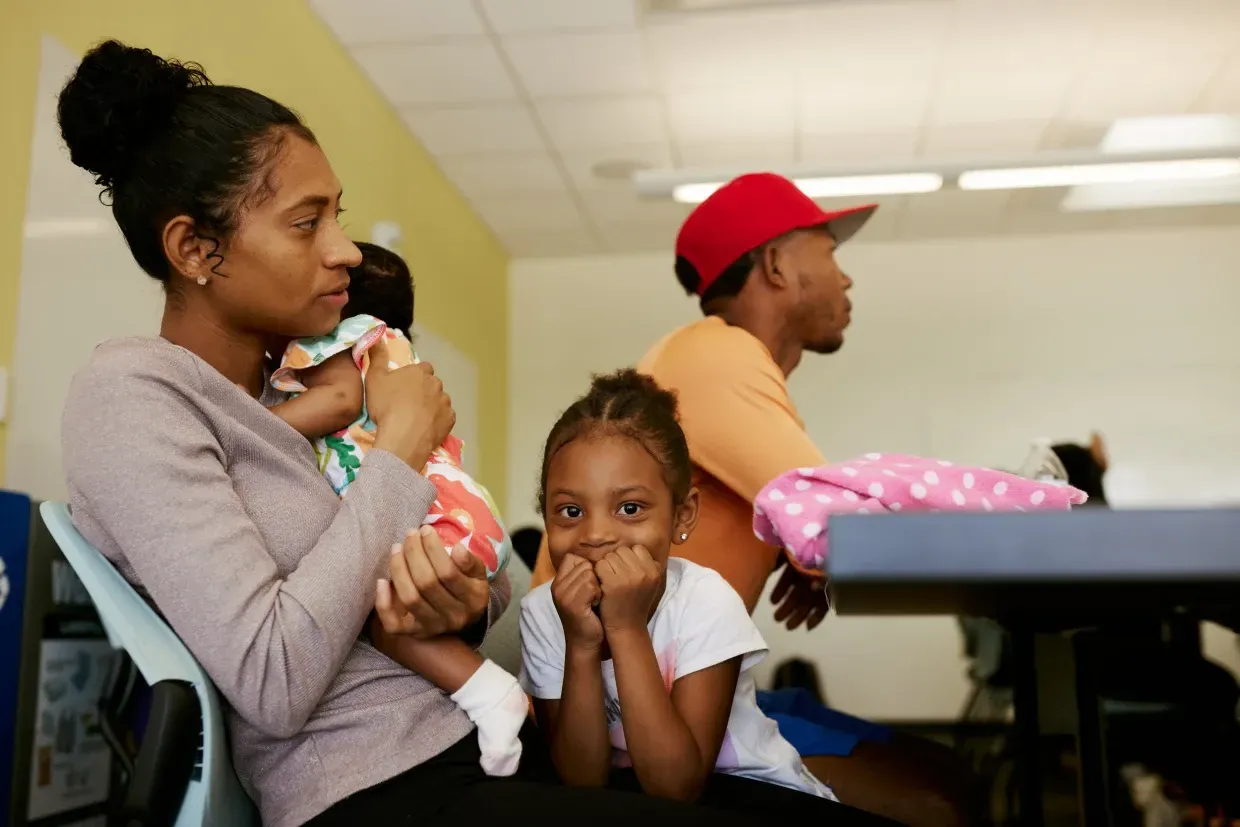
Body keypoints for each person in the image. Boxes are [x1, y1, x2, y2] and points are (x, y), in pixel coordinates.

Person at [54, 41, 814, 827]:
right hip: (376, 789)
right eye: (306, 222)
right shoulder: (134, 394)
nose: (344, 249)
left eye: (337, 216)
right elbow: (274, 675)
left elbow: (463, 579)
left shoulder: (295, 389)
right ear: (194, 249)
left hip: (488, 743)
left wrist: (460, 603)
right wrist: (403, 442)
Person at [529, 173, 978, 826]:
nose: (844, 279)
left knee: (949, 771)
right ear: (776, 263)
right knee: (943, 799)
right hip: (622, 699)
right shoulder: (718, 351)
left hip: (686, 680)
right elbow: (837, 522)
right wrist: (813, 551)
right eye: (829, 251)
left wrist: (801, 553)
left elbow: (809, 522)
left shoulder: (717, 359)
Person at [520, 369, 894, 824]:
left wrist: (624, 627)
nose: (596, 534)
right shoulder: (544, 612)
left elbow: (677, 785)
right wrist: (580, 645)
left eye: (630, 508)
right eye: (571, 511)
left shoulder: (705, 601)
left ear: (682, 515)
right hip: (633, 798)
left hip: (752, 790)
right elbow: (582, 783)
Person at [269, 243, 525, 776]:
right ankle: (495, 696)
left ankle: (490, 693)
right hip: (457, 507)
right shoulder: (394, 349)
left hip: (424, 510)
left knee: (382, 608)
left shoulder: (343, 341)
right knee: (388, 614)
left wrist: (252, 425)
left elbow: (337, 401)